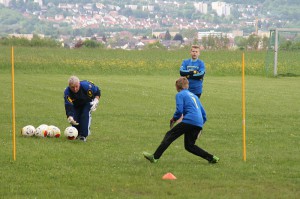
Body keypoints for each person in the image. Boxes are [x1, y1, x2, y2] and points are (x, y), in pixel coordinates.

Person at [143, 77, 219, 163]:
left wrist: (174, 119)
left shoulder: (180, 95)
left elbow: (179, 110)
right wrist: (199, 126)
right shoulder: (194, 96)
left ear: (177, 87)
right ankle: (212, 158)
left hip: (189, 120)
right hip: (198, 123)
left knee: (169, 135)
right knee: (189, 146)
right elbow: (204, 115)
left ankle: (155, 157)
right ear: (187, 86)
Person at [64, 76, 101, 142]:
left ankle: (83, 136)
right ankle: (76, 134)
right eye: (72, 87)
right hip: (76, 105)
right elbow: (68, 105)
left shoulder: (87, 86)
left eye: (76, 86)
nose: (75, 89)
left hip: (87, 102)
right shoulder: (67, 92)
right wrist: (70, 117)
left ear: (79, 84)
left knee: (84, 115)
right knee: (75, 120)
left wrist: (96, 101)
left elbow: (97, 91)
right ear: (69, 86)